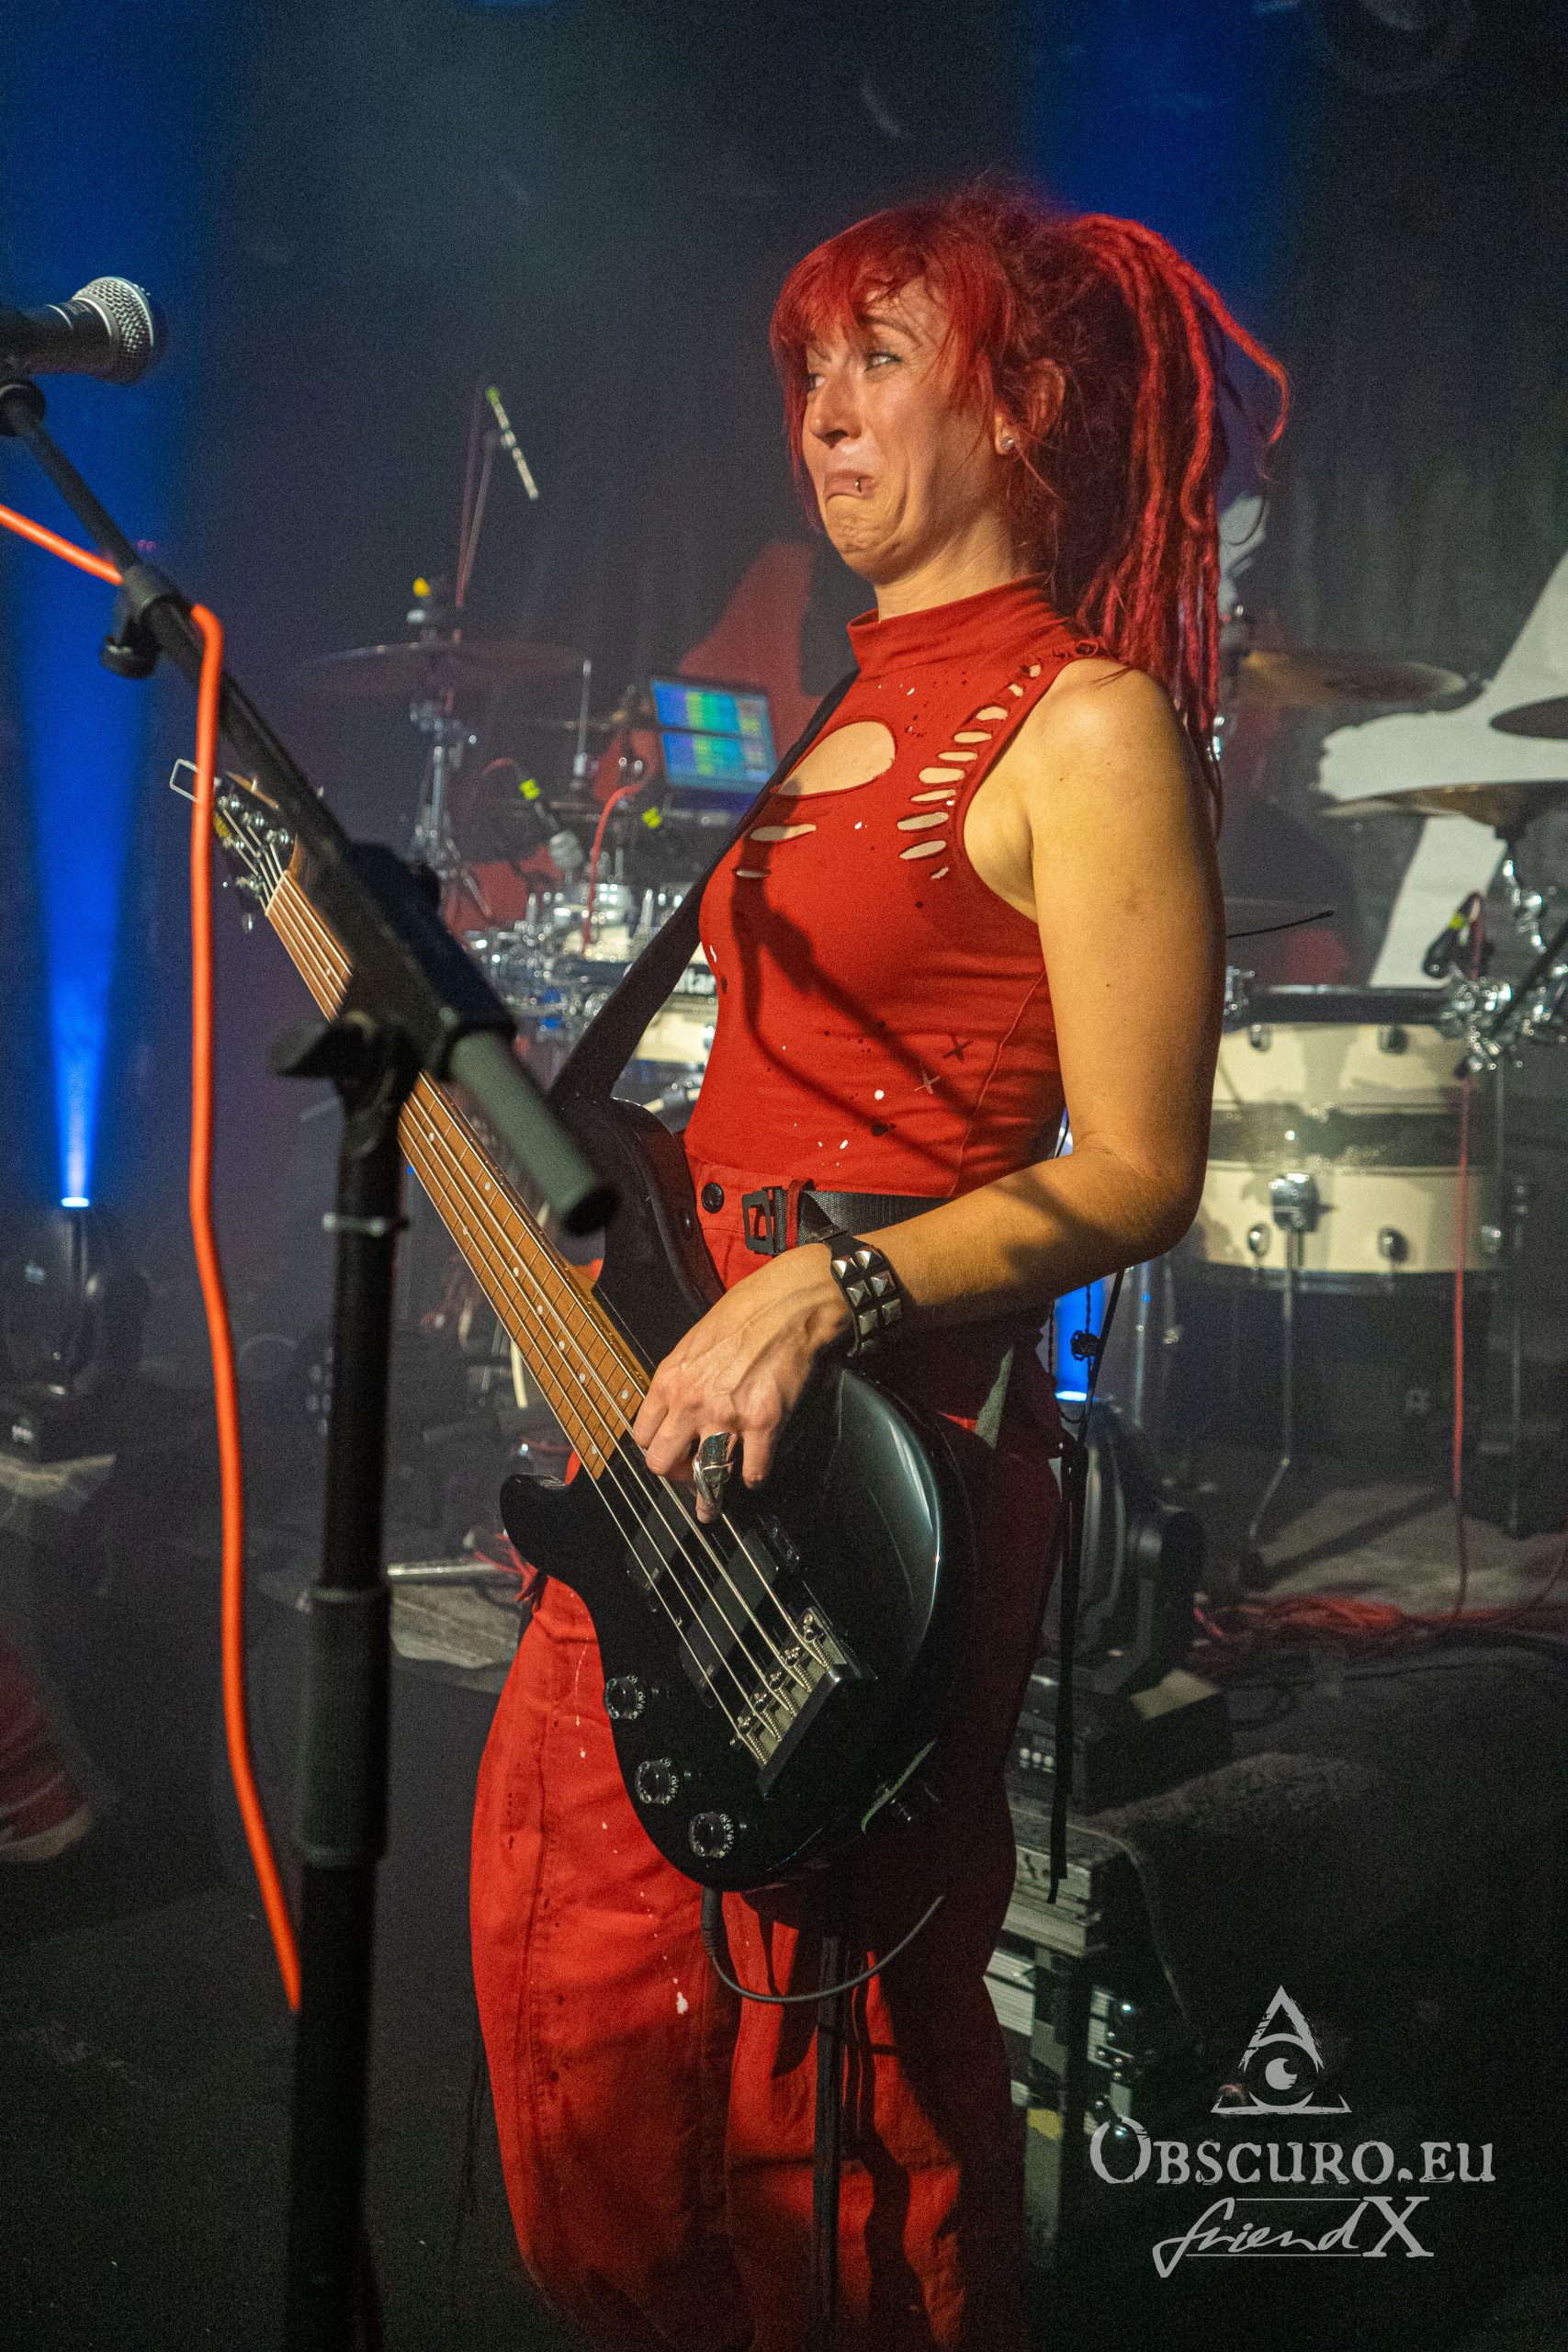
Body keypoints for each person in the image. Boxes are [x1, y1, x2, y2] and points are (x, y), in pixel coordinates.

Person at [470, 184, 1286, 2351]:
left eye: (879, 359)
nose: (821, 408)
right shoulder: (834, 704)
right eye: (808, 368)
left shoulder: (1082, 722)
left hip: (880, 1456)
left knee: (822, 2054)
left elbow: (1138, 1169)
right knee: (583, 1975)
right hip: (687, 1425)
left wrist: (818, 1290)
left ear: (1016, 408)